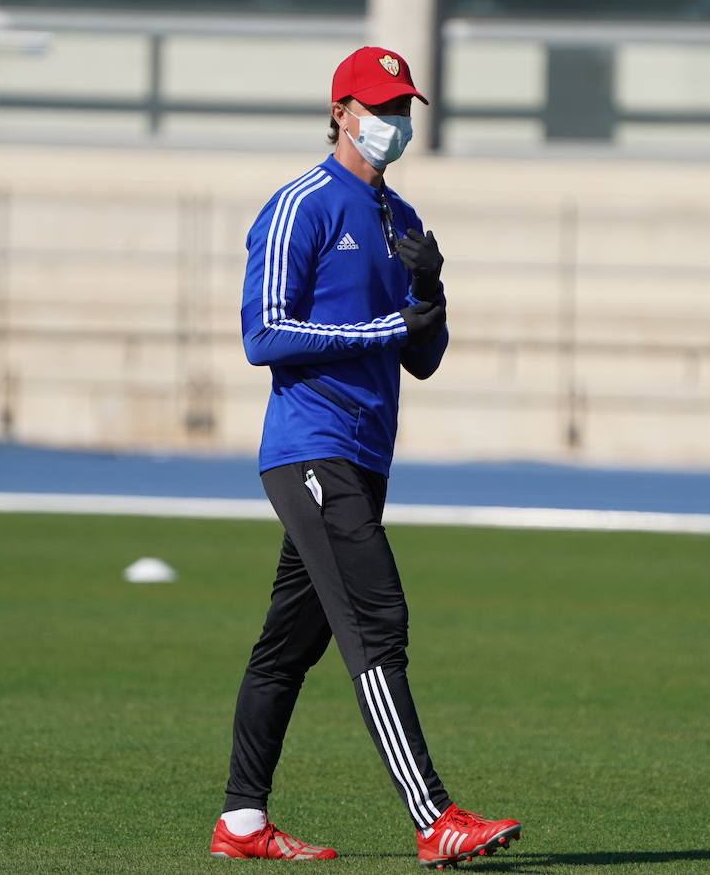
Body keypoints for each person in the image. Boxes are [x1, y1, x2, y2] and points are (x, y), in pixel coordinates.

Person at [209, 46, 522, 868]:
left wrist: (429, 295)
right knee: (377, 621)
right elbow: (262, 335)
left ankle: (242, 824)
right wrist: (389, 326)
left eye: (405, 109)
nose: (396, 123)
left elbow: (423, 356)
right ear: (341, 111)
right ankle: (434, 819)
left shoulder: (401, 218)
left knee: (289, 644)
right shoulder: (300, 206)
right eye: (381, 107)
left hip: (364, 454)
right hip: (311, 448)